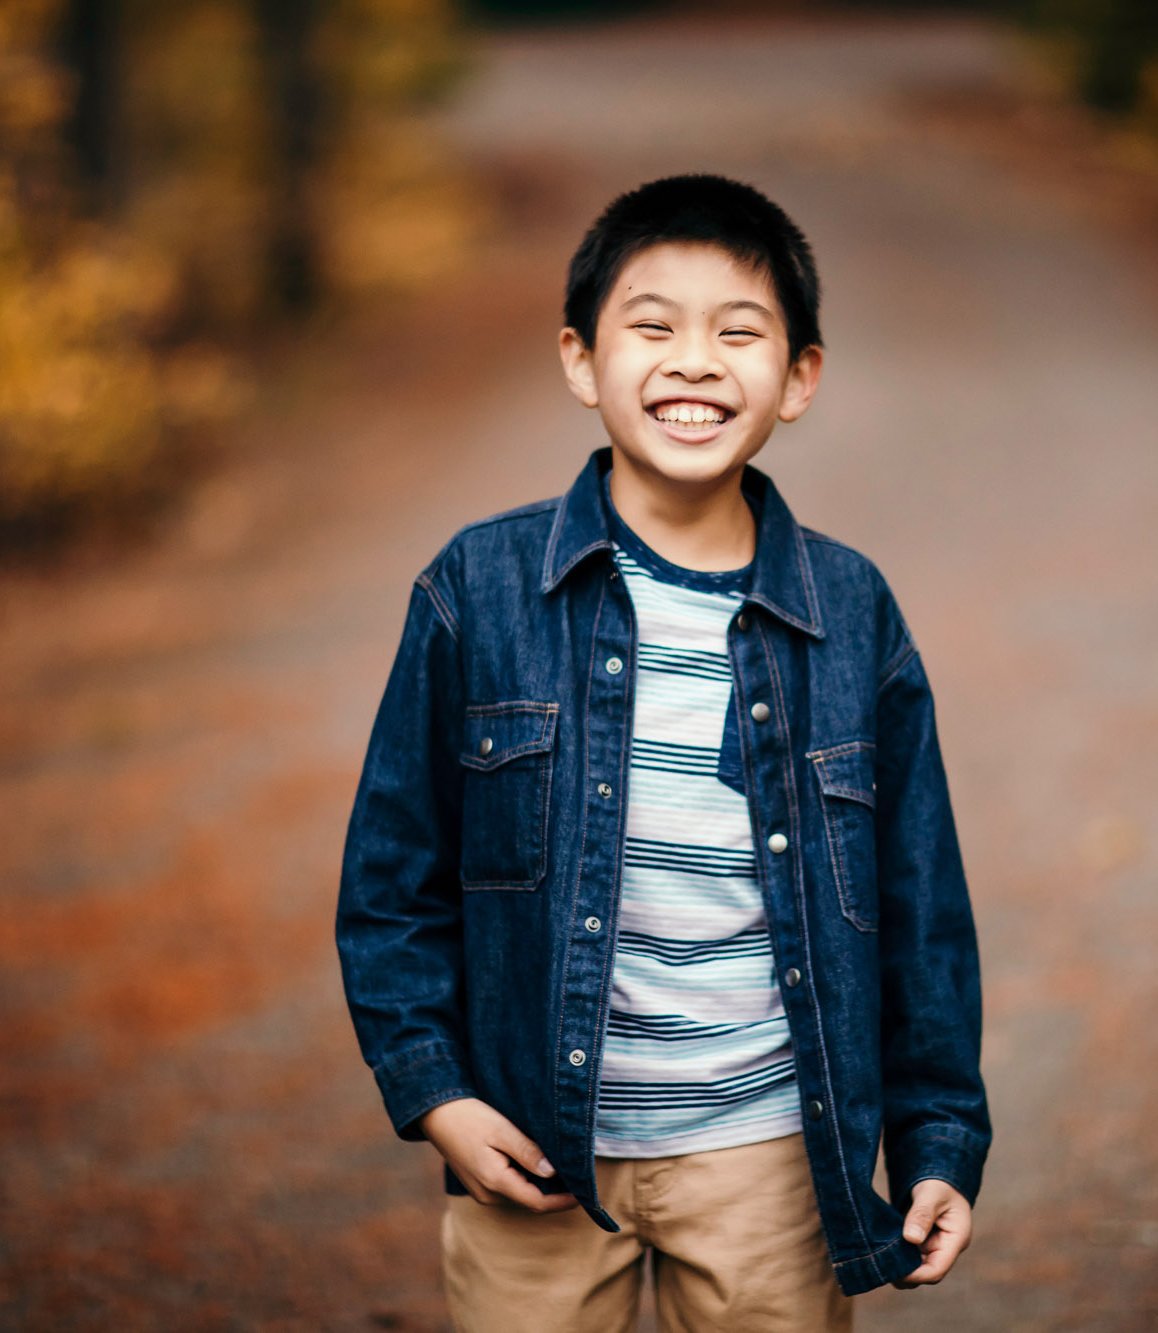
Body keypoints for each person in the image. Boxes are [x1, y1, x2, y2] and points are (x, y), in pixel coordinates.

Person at [335, 172, 988, 1332]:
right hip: (529, 1148)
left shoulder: (850, 610)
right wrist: (434, 1094)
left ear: (798, 380)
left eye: (738, 333)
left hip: (766, 1157)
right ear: (581, 361)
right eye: (652, 328)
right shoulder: (475, 590)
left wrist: (937, 1136)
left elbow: (917, 901)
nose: (692, 361)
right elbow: (392, 880)